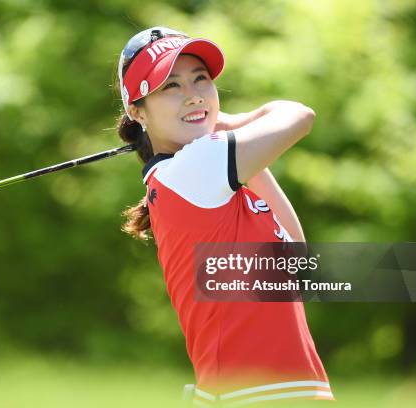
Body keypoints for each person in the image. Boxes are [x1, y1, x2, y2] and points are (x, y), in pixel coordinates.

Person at [116, 27, 334, 406]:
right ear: (137, 111)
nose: (194, 94)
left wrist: (218, 130)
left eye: (201, 80)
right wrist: (235, 122)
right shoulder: (194, 168)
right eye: (171, 86)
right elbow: (299, 115)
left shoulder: (207, 179)